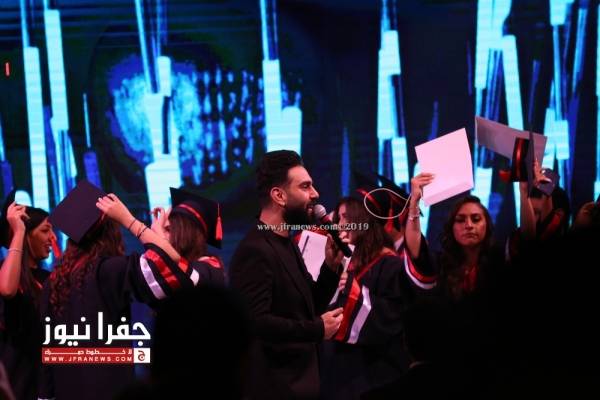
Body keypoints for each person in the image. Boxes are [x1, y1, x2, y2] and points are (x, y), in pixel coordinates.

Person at [38, 181, 205, 400]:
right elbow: (185, 276)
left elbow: (48, 352)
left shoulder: (54, 281)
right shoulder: (110, 271)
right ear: (111, 231)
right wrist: (132, 222)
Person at [229, 150, 343, 400]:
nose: (315, 194)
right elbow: (256, 323)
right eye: (305, 186)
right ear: (279, 195)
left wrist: (330, 268)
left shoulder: (286, 242)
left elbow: (306, 306)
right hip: (273, 389)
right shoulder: (255, 250)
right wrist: (317, 330)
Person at [320, 196, 418, 399]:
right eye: (338, 218)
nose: (340, 224)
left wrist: (353, 291)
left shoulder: (390, 265)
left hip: (373, 376)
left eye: (346, 217)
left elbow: (392, 319)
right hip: (338, 374)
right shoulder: (345, 262)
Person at [0, 191, 56, 400]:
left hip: (45, 380)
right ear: (26, 235)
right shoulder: (4, 274)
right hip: (16, 378)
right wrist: (18, 231)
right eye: (45, 230)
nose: (52, 238)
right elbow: (7, 289)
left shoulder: (49, 278)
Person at [150, 187, 226, 285]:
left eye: (168, 229)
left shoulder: (208, 269)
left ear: (186, 234)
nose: (160, 234)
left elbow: (183, 276)